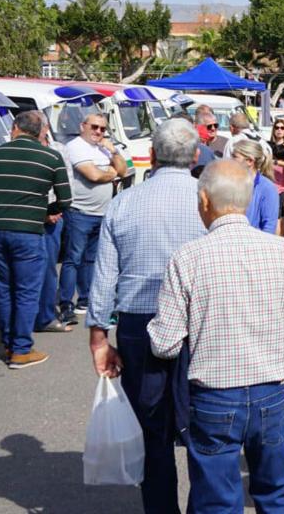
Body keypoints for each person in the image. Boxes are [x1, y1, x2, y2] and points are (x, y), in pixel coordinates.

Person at [149, 160, 284, 513]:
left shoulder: (188, 258)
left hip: (214, 391)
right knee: (274, 489)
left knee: (216, 497)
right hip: (272, 386)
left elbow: (164, 344)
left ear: (204, 200)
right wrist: (272, 330)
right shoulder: (281, 250)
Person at [87, 118, 206, 513]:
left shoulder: (124, 202)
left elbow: (105, 274)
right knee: (202, 422)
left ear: (152, 155)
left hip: (140, 321)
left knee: (152, 426)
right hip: (196, 321)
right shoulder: (208, 201)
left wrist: (99, 336)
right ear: (195, 156)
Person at [0, 111, 71, 369]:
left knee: (4, 288)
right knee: (27, 291)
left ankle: (9, 343)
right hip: (28, 231)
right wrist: (44, 212)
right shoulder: (51, 157)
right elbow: (65, 200)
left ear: (14, 128)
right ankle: (21, 350)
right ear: (39, 131)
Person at [58, 112, 129, 325]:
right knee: (73, 259)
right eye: (94, 127)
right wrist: (111, 172)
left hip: (102, 213)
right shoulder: (75, 146)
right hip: (79, 212)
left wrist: (113, 151)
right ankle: (65, 303)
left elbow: (124, 171)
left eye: (102, 128)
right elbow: (93, 175)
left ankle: (85, 299)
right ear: (83, 126)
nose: (98, 132)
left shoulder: (103, 148)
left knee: (90, 259)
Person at [33, 121, 69, 334]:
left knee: (48, 269)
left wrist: (56, 211)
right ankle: (22, 320)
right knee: (24, 271)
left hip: (53, 216)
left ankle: (45, 317)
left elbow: (67, 184)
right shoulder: (18, 147)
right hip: (28, 218)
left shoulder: (58, 150)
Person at [231, 138, 281, 234]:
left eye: (234, 157)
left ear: (250, 161)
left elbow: (269, 226)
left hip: (254, 241)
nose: (230, 160)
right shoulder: (229, 182)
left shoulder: (267, 188)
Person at [268, 119, 284, 201]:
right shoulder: (268, 145)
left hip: (282, 187)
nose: (279, 130)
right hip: (269, 183)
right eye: (277, 127)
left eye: (282, 128)